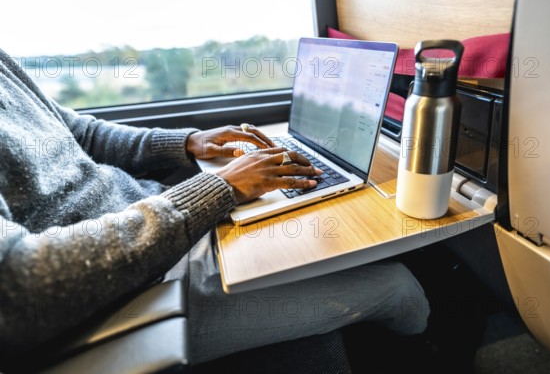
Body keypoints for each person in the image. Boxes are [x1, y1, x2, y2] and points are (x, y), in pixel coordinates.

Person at [0, 48, 429, 367]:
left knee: (319, 239)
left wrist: (186, 143)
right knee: (396, 284)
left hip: (158, 226)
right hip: (134, 290)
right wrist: (216, 190)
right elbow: (19, 286)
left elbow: (82, 135)